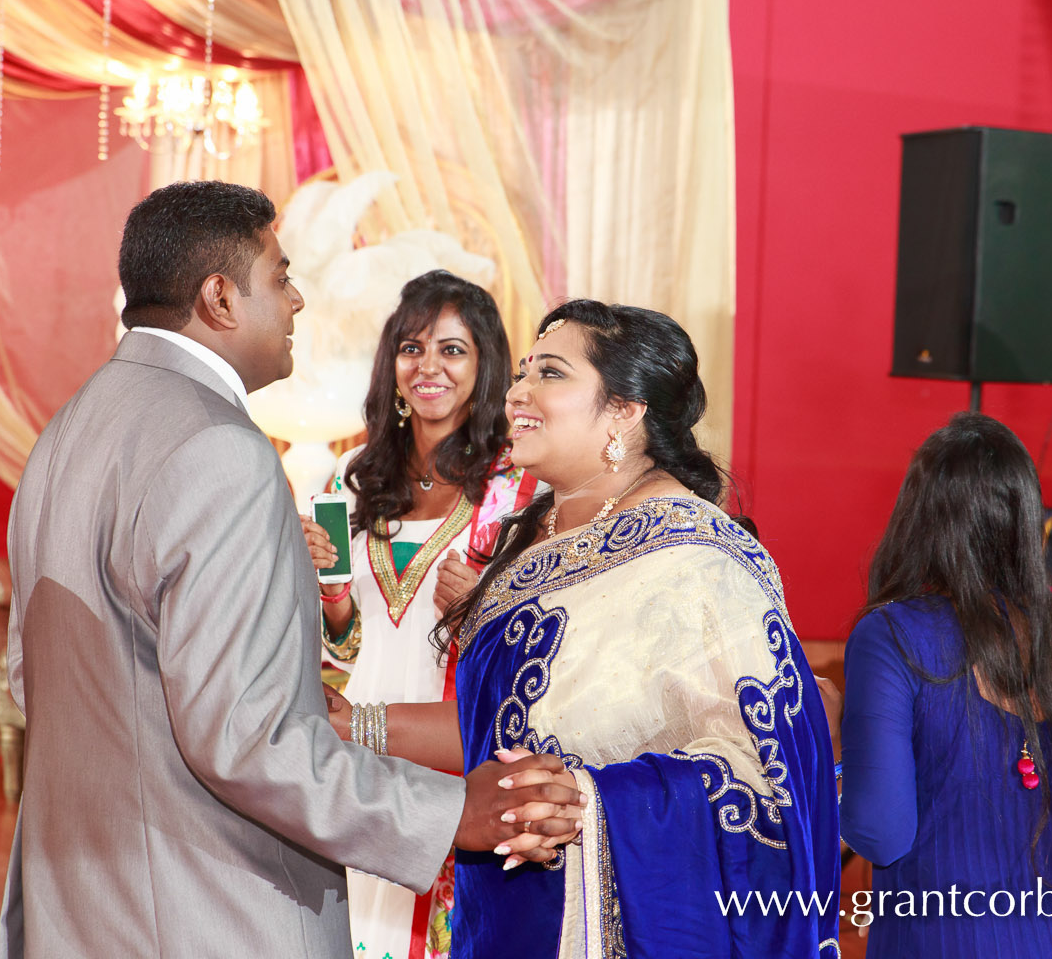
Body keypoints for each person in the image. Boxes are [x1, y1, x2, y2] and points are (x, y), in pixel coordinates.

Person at [0, 180, 581, 959]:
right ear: (219, 298)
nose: (299, 300)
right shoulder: (219, 449)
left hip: (83, 896)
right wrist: (449, 815)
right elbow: (248, 739)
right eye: (279, 276)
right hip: (205, 903)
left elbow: (31, 677)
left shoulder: (66, 432)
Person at [329, 299, 842, 957]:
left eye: (549, 373)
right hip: (508, 914)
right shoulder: (542, 542)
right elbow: (503, 738)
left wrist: (594, 802)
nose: (517, 392)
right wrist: (357, 725)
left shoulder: (695, 564)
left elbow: (771, 776)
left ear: (625, 411)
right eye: (520, 373)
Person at [301, 269, 540, 958]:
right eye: (412, 348)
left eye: (452, 350)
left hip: (449, 755)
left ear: (485, 363)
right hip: (353, 751)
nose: (428, 367)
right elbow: (339, 652)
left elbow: (544, 651)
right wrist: (329, 594)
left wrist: (484, 606)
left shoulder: (518, 489)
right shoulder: (347, 480)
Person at [838, 412, 1052, 959]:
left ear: (917, 516)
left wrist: (833, 745)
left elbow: (880, 833)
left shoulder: (892, 635)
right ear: (1024, 517)